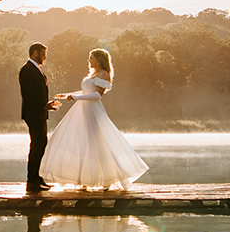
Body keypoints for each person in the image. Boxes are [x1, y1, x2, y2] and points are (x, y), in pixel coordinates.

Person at [39, 48, 149, 191]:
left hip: (93, 112)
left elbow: (97, 95)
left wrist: (77, 97)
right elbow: (86, 91)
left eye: (91, 58)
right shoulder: (92, 74)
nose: (89, 60)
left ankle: (108, 178)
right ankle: (84, 179)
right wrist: (67, 95)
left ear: (99, 59)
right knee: (83, 144)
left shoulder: (103, 74)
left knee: (97, 144)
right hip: (82, 111)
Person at [20, 42, 59, 194]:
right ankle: (31, 182)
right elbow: (27, 94)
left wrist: (46, 106)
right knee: (37, 145)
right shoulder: (27, 70)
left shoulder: (35, 69)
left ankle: (37, 178)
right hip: (33, 114)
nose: (45, 57)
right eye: (43, 54)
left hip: (39, 113)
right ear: (35, 53)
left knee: (41, 144)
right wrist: (43, 105)